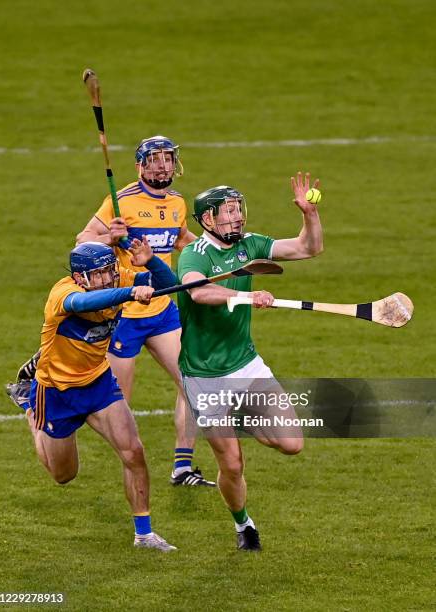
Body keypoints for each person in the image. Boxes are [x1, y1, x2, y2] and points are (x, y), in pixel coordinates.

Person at [177, 172, 324, 551]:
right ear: (207, 220)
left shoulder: (251, 245)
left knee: (292, 443)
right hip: (204, 376)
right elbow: (198, 292)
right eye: (228, 212)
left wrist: (309, 214)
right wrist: (246, 295)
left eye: (238, 209)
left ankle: (242, 418)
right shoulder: (196, 254)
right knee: (233, 466)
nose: (237, 217)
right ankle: (243, 525)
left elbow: (308, 249)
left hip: (246, 366)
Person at [16, 239, 178, 551]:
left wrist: (151, 263)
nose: (109, 277)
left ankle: (144, 534)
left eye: (110, 270)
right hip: (57, 392)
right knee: (64, 475)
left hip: (99, 382)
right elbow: (82, 305)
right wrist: (131, 293)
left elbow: (169, 285)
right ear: (80, 278)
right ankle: (28, 405)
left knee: (133, 451)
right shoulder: (63, 293)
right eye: (100, 273)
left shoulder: (120, 279)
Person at [75, 135, 214, 487]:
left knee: (194, 383)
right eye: (155, 159)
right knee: (112, 406)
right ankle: (45, 400)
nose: (163, 164)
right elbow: (82, 242)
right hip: (124, 315)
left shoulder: (178, 203)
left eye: (168, 158)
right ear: (141, 165)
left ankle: (182, 467)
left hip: (163, 309)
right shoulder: (120, 202)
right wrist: (110, 237)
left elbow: (183, 240)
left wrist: (217, 250)